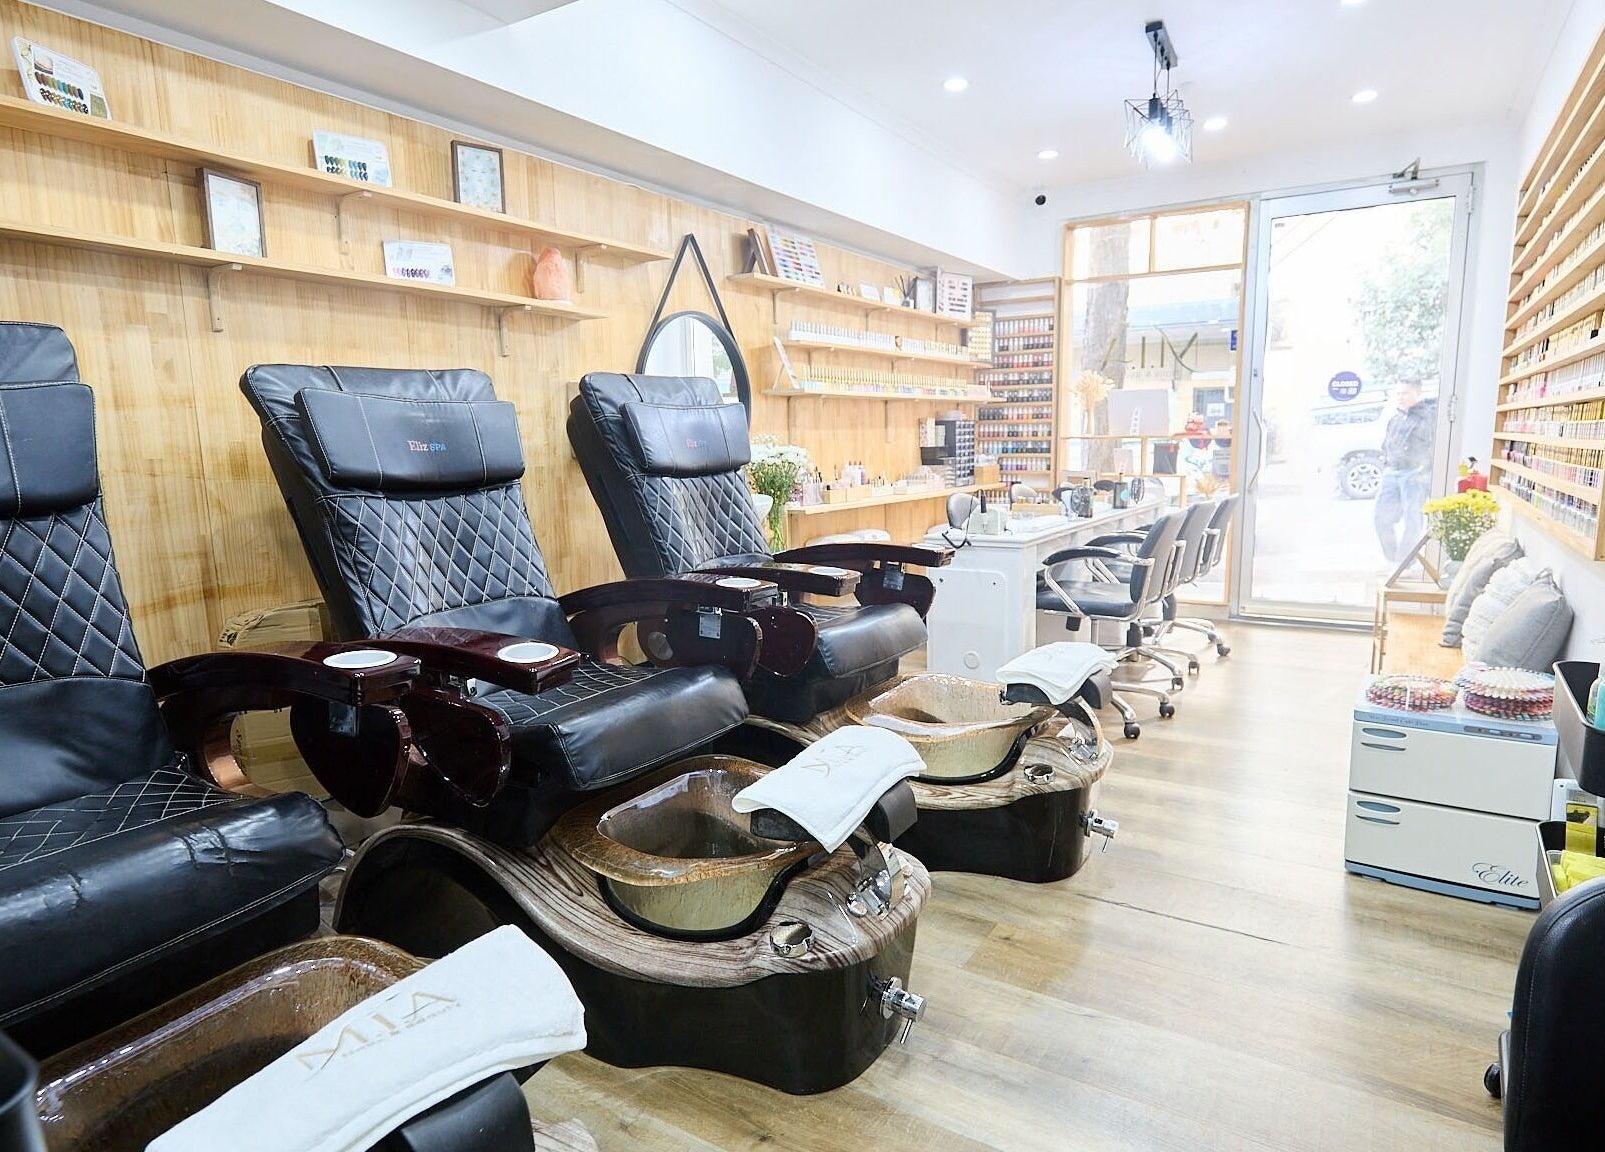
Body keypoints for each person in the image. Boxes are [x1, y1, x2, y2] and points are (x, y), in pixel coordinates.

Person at [1373, 378, 1435, 563]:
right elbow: (1387, 444)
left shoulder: (1428, 418)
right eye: (1398, 393)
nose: (1401, 397)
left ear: (1418, 393)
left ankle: (1404, 563)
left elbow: (1432, 447)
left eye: (1405, 393)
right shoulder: (1396, 418)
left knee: (1412, 520)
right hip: (1392, 472)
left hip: (1413, 474)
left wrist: (1423, 471)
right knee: (1381, 517)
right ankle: (1394, 559)